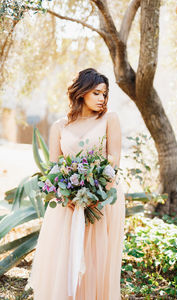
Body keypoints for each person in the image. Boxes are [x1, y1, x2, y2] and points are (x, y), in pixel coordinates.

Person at [27, 68, 125, 300]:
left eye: (105, 94)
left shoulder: (110, 119)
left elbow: (114, 160)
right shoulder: (60, 126)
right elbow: (53, 169)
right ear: (82, 93)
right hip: (67, 204)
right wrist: (67, 198)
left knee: (96, 258)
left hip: (102, 201)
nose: (102, 99)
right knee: (65, 257)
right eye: (97, 93)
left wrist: (96, 196)